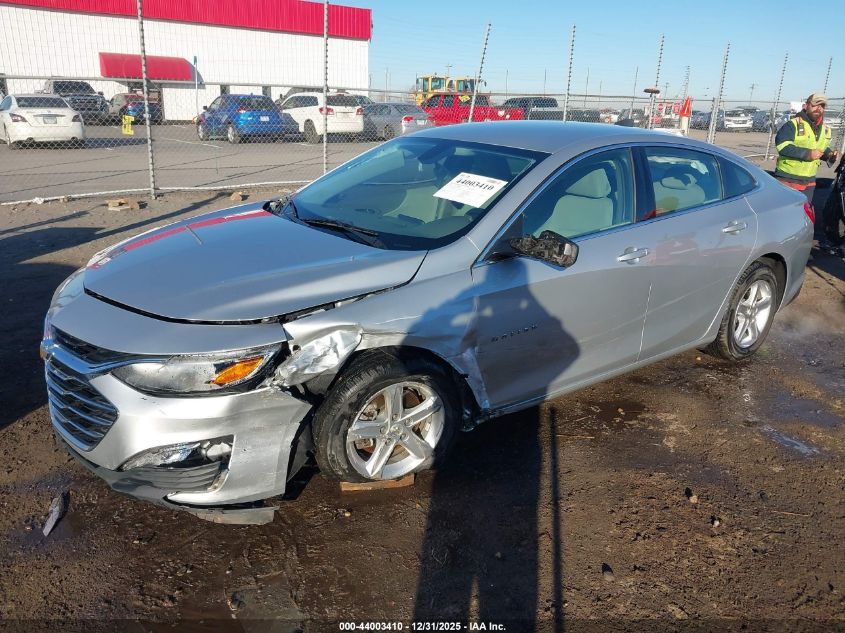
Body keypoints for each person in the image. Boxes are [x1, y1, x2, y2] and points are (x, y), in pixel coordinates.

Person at [774, 92, 840, 249]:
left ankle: (800, 251)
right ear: (807, 105)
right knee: (783, 217)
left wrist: (830, 155)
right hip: (787, 179)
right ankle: (779, 249)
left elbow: (821, 150)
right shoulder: (793, 125)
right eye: (815, 104)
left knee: (803, 218)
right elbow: (782, 146)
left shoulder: (825, 130)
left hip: (809, 181)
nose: (819, 108)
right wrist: (807, 154)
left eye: (822, 106)